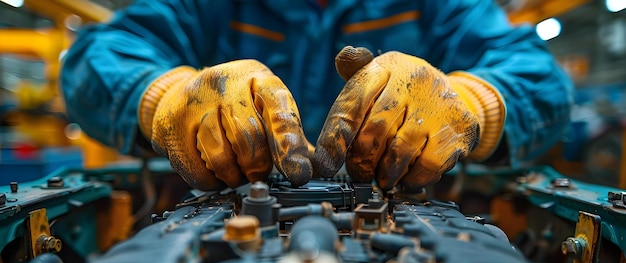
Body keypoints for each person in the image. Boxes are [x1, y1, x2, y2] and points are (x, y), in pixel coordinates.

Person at [60, 0, 573, 192]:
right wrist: (167, 97)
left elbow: (538, 77)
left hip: (409, 197)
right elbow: (98, 57)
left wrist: (467, 100)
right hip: (220, 195)